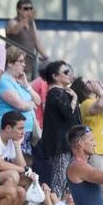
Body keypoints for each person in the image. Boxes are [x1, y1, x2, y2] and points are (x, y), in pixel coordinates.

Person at [36, 60, 82, 195]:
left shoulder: (65, 93)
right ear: (55, 76)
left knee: (68, 181)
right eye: (66, 72)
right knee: (59, 180)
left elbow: (76, 120)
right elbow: (67, 113)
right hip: (60, 144)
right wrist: (75, 98)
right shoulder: (55, 92)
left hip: (68, 143)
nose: (69, 75)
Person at [0, 46, 40, 155]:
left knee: (27, 165)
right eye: (20, 61)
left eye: (24, 62)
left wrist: (27, 86)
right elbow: (21, 105)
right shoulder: (3, 80)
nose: (24, 65)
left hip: (26, 131)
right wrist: (31, 104)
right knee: (16, 164)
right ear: (10, 63)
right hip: (11, 131)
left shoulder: (20, 81)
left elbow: (38, 101)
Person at [5, 0, 46, 78]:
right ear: (18, 10)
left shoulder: (31, 23)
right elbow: (14, 30)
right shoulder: (12, 21)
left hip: (29, 65)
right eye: (26, 9)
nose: (29, 11)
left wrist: (45, 56)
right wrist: (28, 19)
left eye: (31, 8)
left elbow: (37, 41)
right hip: (14, 65)